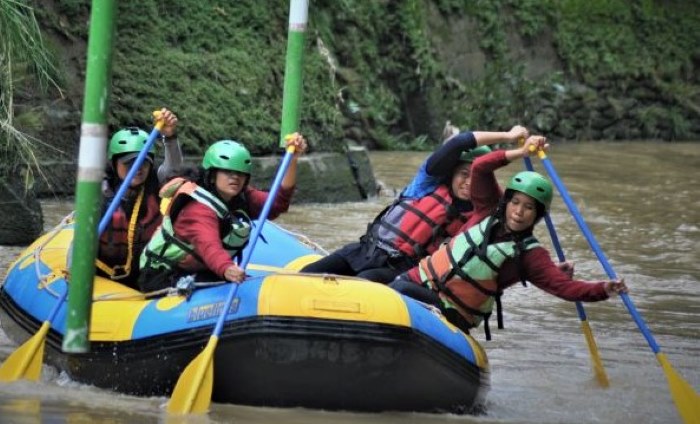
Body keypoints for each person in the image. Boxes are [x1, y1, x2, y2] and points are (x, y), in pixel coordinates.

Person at [389, 142, 627, 339]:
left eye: (529, 207)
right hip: (420, 280)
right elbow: (481, 167)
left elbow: (566, 288)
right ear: (506, 202)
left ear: (537, 215)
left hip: (453, 312)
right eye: (515, 203)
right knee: (391, 285)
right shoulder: (486, 210)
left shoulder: (531, 255)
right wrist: (521, 151)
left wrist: (605, 289)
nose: (518, 212)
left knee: (398, 290)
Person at [300, 125, 529, 283]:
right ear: (452, 173)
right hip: (364, 250)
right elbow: (459, 142)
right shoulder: (426, 183)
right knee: (307, 274)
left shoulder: (480, 215)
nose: (468, 183)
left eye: (476, 177)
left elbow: (514, 232)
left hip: (401, 269)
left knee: (361, 285)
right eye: (463, 174)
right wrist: (509, 137)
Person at [138, 133, 308, 293]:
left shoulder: (240, 196)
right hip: (162, 275)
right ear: (212, 175)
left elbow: (277, 203)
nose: (235, 178)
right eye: (227, 172)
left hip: (201, 269)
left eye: (240, 174)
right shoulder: (196, 208)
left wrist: (292, 159)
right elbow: (209, 245)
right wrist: (227, 269)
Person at [96, 108, 182, 289]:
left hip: (143, 272)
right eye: (129, 163)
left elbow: (174, 168)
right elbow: (80, 239)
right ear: (114, 163)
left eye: (144, 162)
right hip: (102, 272)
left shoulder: (156, 182)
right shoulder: (98, 191)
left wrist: (170, 137)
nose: (138, 168)